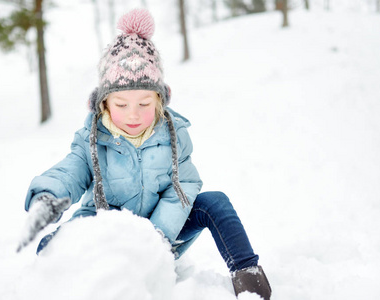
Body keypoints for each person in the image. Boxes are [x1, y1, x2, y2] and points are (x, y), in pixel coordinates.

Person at [17, 8, 271, 299]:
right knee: (50, 246)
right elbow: (71, 169)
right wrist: (48, 196)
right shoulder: (92, 138)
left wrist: (155, 237)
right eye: (122, 104)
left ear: (160, 99)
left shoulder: (174, 134)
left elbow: (184, 186)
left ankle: (249, 279)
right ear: (103, 104)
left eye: (144, 103)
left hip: (164, 232)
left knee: (215, 203)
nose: (133, 115)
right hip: (106, 229)